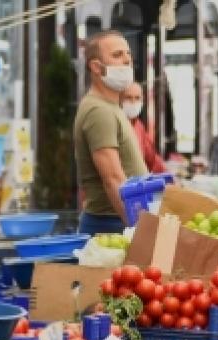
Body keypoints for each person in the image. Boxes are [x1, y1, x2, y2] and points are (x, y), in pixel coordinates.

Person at [74, 30, 148, 234]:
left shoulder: (111, 106)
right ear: (96, 67)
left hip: (117, 221)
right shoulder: (99, 111)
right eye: (117, 55)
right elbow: (113, 178)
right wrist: (139, 231)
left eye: (128, 54)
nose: (126, 60)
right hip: (111, 224)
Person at [118, 82, 165, 174]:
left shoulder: (139, 126)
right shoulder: (115, 124)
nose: (133, 102)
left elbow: (152, 158)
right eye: (128, 97)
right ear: (119, 99)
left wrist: (169, 178)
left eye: (137, 98)